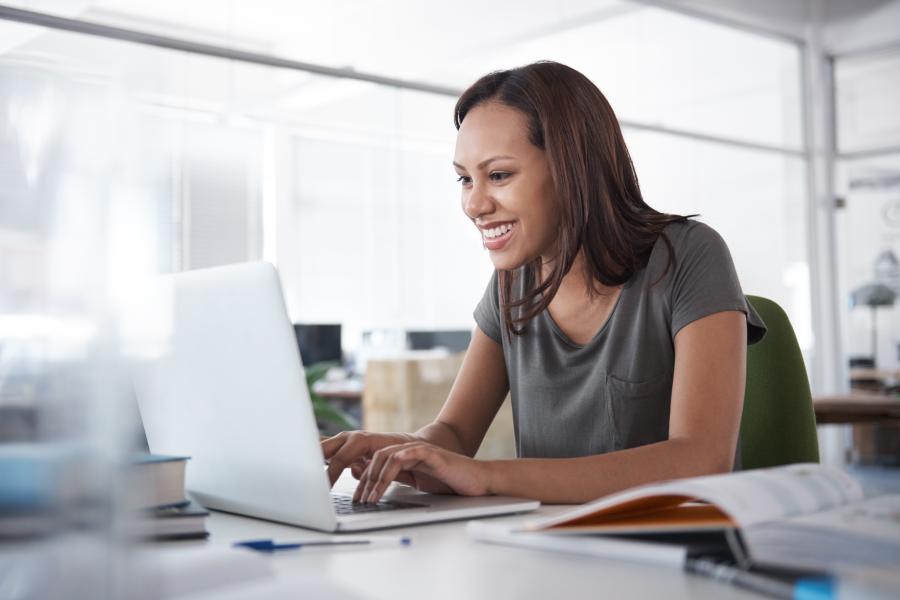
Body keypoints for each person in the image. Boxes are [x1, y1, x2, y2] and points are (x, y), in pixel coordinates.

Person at [322, 61, 766, 505]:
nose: (474, 204)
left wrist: (489, 476)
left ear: (573, 168)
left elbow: (702, 460)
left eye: (498, 175)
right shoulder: (510, 285)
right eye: (464, 179)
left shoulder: (688, 255)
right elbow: (455, 433)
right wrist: (399, 451)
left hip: (676, 552)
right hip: (545, 548)